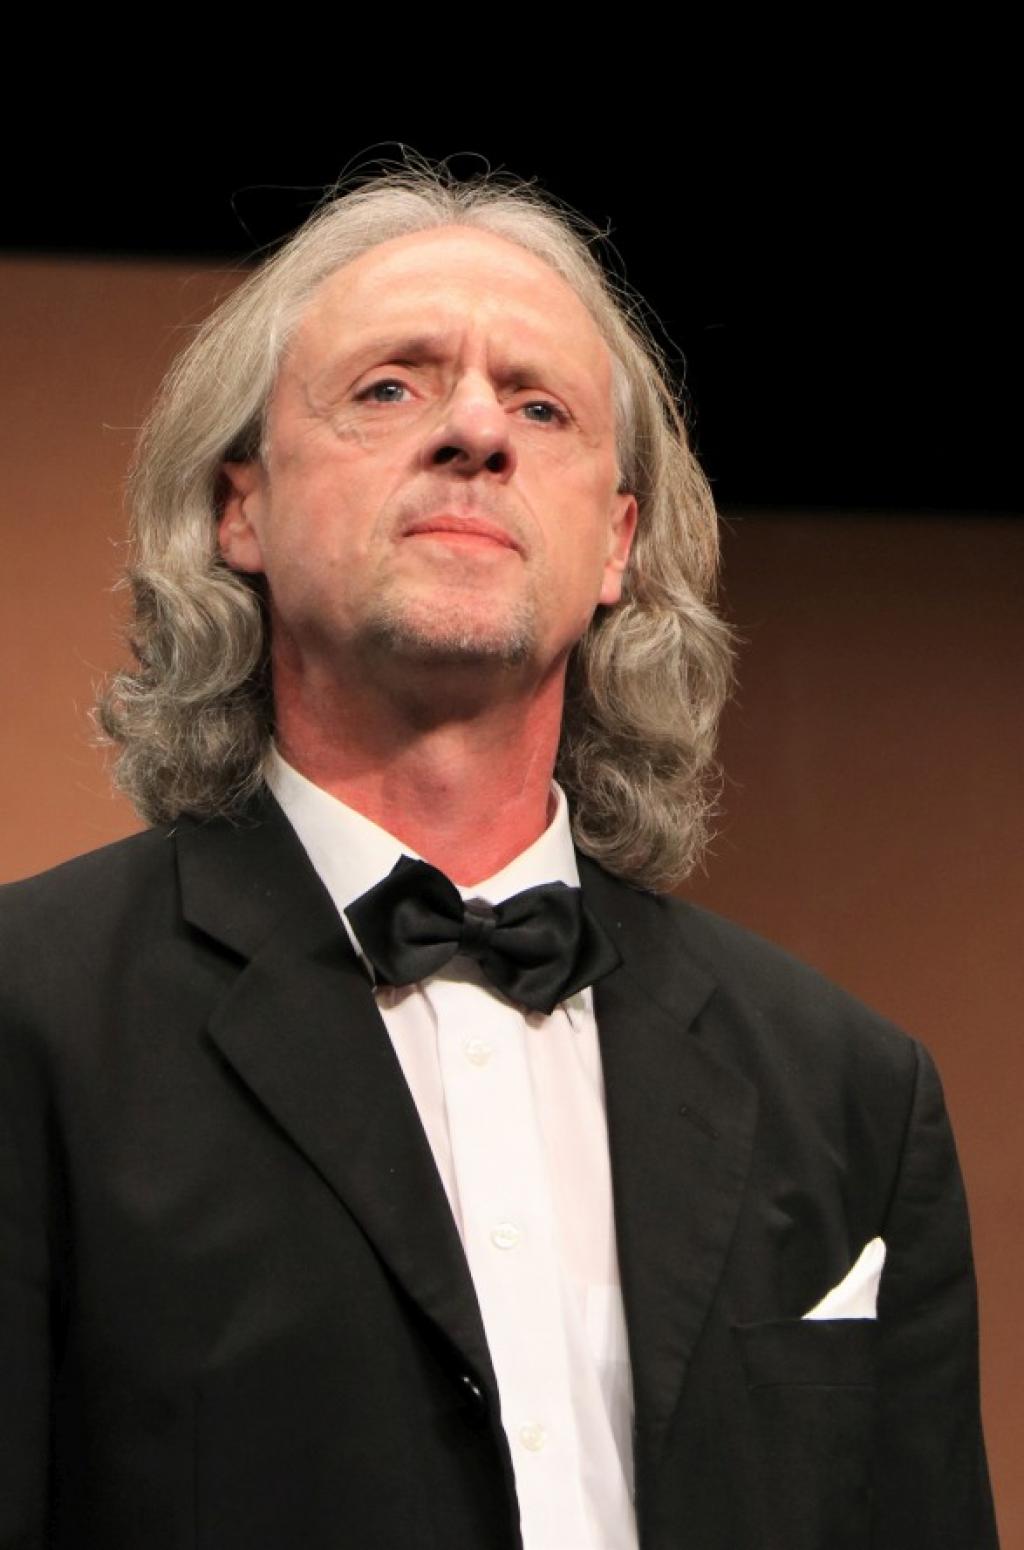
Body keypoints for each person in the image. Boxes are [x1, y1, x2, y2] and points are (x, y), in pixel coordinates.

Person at [0, 165, 997, 1550]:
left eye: (540, 407)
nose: (475, 429)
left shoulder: (854, 1093)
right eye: (389, 388)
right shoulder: (30, 1017)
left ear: (617, 544)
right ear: (242, 508)